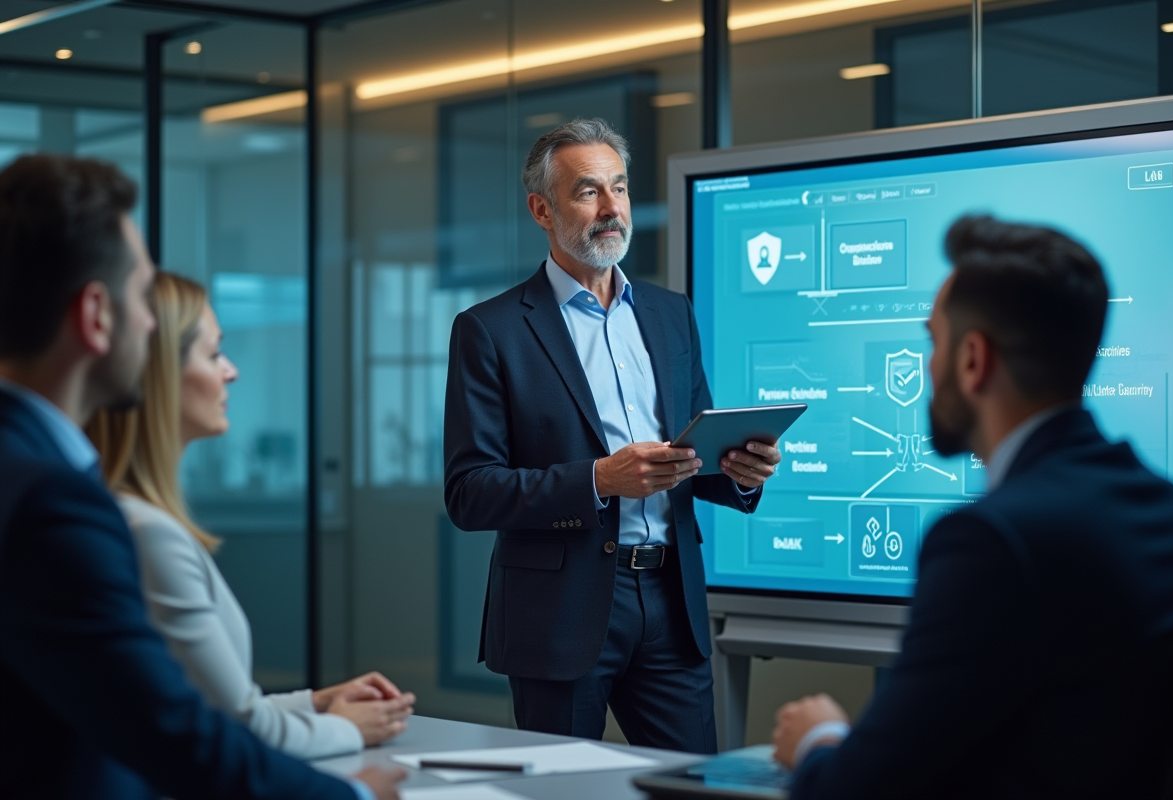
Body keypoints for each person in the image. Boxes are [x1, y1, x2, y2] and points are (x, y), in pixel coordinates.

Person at [0, 154, 404, 800]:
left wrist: (310, 707)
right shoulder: (54, 504)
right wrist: (355, 796)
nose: (150, 324)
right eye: (141, 297)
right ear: (96, 315)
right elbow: (173, 732)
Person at [770, 215, 1173, 799]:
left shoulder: (993, 541)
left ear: (973, 359)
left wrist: (819, 737)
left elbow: (856, 792)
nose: (927, 366)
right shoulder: (1169, 509)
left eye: (933, 342)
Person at [443, 118, 782, 754]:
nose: (611, 208)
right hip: (559, 611)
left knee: (694, 785)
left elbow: (694, 451)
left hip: (671, 600)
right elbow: (469, 493)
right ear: (542, 210)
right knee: (565, 789)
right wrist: (600, 480)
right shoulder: (491, 330)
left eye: (619, 188)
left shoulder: (671, 312)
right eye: (588, 191)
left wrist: (740, 472)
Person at [86, 271, 416, 760]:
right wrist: (348, 730)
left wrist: (316, 702)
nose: (232, 371)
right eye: (214, 353)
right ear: (161, 374)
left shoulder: (134, 519)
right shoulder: (148, 534)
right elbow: (236, 730)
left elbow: (213, 707)